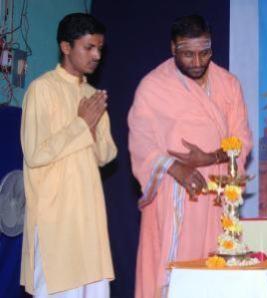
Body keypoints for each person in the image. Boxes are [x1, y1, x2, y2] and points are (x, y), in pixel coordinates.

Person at [128, 14, 252, 298]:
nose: (197, 62)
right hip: (170, 192)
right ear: (173, 48)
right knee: (172, 275)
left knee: (214, 272)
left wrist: (208, 158)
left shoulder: (228, 84)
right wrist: (176, 167)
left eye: (204, 53)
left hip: (216, 196)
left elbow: (242, 140)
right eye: (187, 54)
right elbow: (141, 141)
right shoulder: (153, 86)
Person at [20, 13, 116, 297]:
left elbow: (106, 154)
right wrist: (80, 124)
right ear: (66, 47)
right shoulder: (42, 89)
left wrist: (93, 126)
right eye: (89, 47)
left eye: (100, 48)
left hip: (89, 217)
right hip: (55, 221)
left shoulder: (92, 94)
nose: (97, 55)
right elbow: (36, 154)